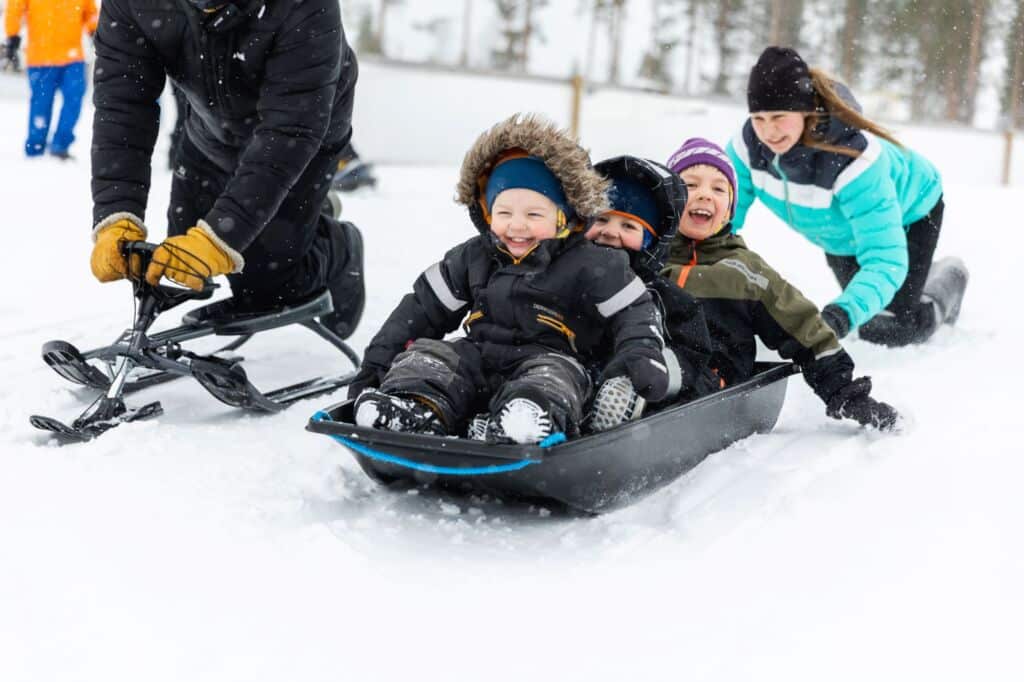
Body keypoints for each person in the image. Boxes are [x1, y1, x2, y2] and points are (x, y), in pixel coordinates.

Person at [348, 115, 670, 444]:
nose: (517, 226)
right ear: (488, 214)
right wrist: (378, 362)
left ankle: (528, 420)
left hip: (552, 358)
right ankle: (414, 409)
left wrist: (639, 355)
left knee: (554, 380)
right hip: (477, 355)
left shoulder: (593, 262)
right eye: (504, 213)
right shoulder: (473, 257)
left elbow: (634, 311)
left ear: (566, 217)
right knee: (432, 357)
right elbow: (421, 309)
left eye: (534, 214)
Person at [87, 0, 364, 340]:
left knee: (265, 283)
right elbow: (123, 106)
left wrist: (219, 240)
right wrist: (117, 214)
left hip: (305, 135)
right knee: (181, 247)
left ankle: (338, 244)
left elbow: (289, 130)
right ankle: (305, 212)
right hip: (212, 129)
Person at [726, 46, 968, 348]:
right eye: (758, 119)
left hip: (912, 210)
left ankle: (949, 279)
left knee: (891, 329)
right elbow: (722, 222)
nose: (768, 131)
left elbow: (884, 260)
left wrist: (839, 316)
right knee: (867, 317)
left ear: (804, 112)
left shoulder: (855, 162)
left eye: (779, 116)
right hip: (839, 234)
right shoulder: (747, 151)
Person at [664, 137, 900, 431]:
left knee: (665, 369)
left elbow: (805, 329)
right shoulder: (642, 256)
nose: (704, 195)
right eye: (690, 185)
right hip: (638, 361)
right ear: (667, 198)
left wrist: (845, 393)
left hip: (710, 379)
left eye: (718, 188)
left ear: (728, 210)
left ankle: (644, 390)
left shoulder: (745, 272)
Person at [584, 155, 719, 431]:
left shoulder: (664, 297)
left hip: (640, 379)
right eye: (602, 219)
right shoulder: (565, 277)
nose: (610, 232)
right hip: (570, 375)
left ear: (652, 241)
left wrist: (655, 371)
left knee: (682, 380)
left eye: (628, 226)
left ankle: (625, 400)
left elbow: (692, 351)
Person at [3, 0, 97, 159]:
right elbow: (14, 8)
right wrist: (12, 35)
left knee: (74, 99)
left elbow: (91, 13)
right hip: (40, 57)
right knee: (41, 105)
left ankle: (60, 145)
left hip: (73, 57)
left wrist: (94, 29)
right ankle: (35, 147)